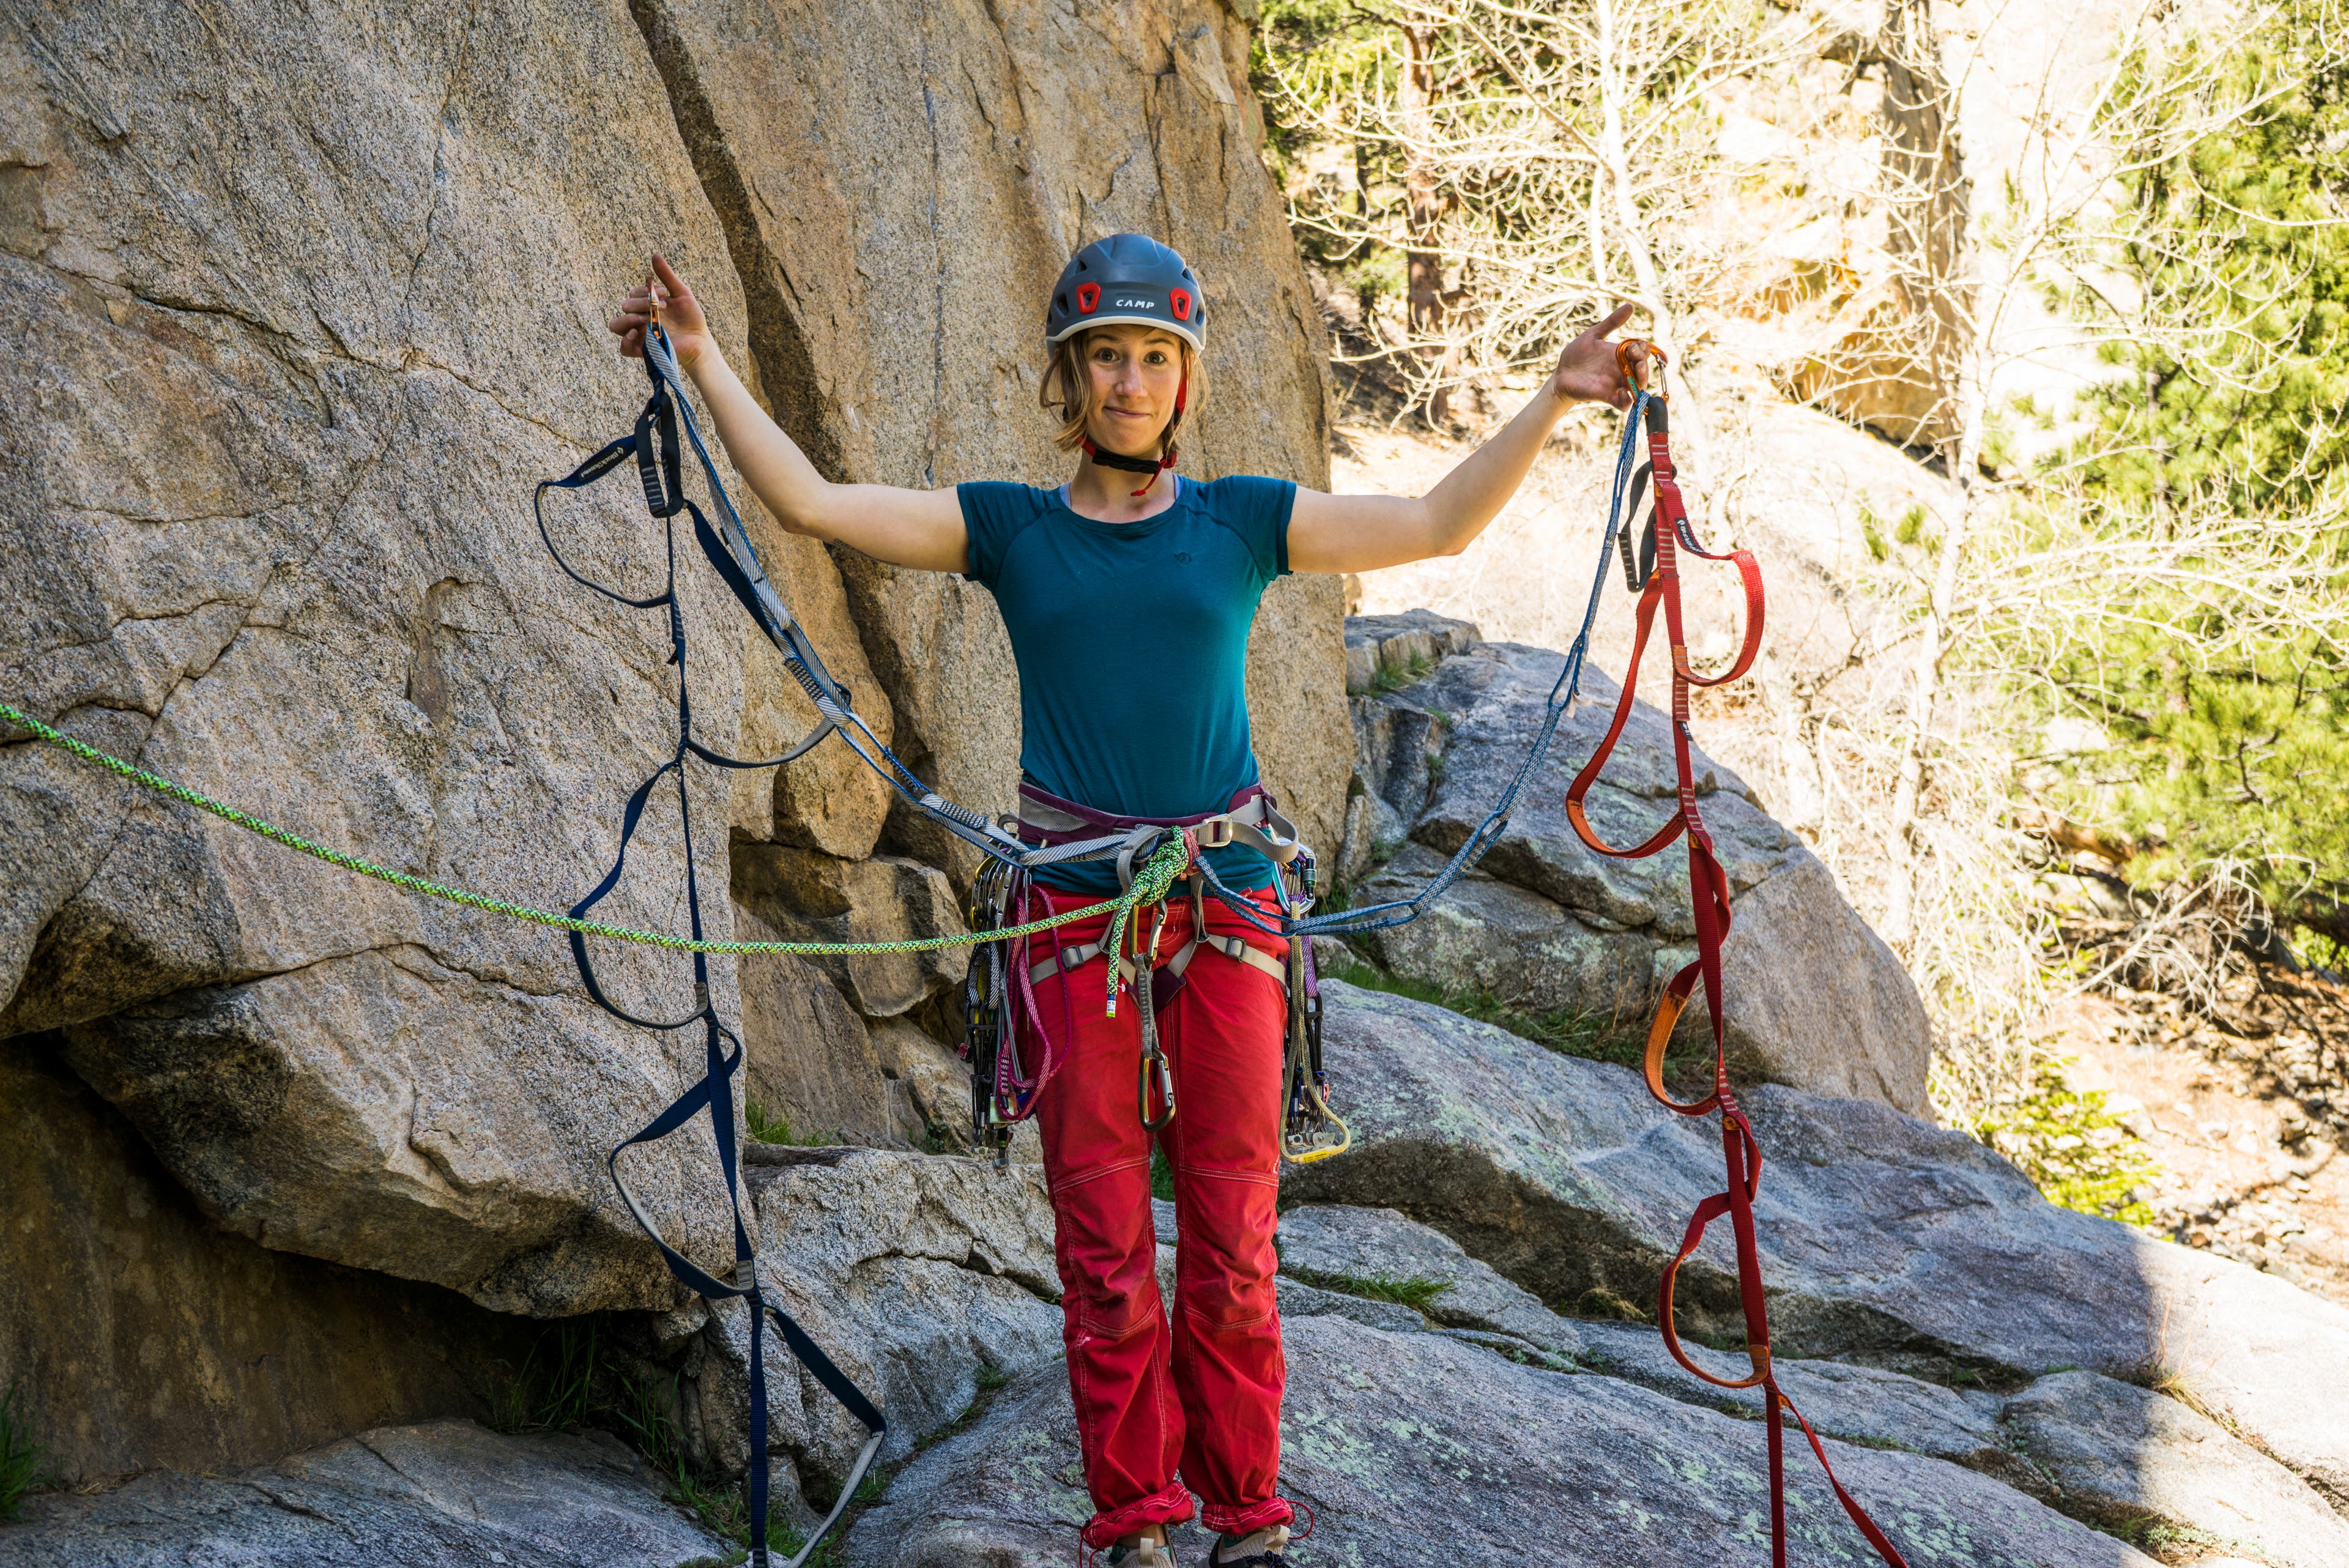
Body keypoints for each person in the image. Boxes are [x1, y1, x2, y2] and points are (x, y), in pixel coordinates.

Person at [611, 236, 1648, 1567]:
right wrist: (700, 361)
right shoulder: (1011, 530)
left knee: (1230, 1236)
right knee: (1103, 1239)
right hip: (1068, 914)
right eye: (1109, 354)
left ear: (1185, 379)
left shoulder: (1242, 522)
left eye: (1158, 356)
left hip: (1223, 900)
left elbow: (1436, 524)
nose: (1132, 379)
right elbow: (815, 504)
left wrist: (1559, 398)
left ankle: (1249, 1518)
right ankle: (1140, 1522)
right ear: (1071, 375)